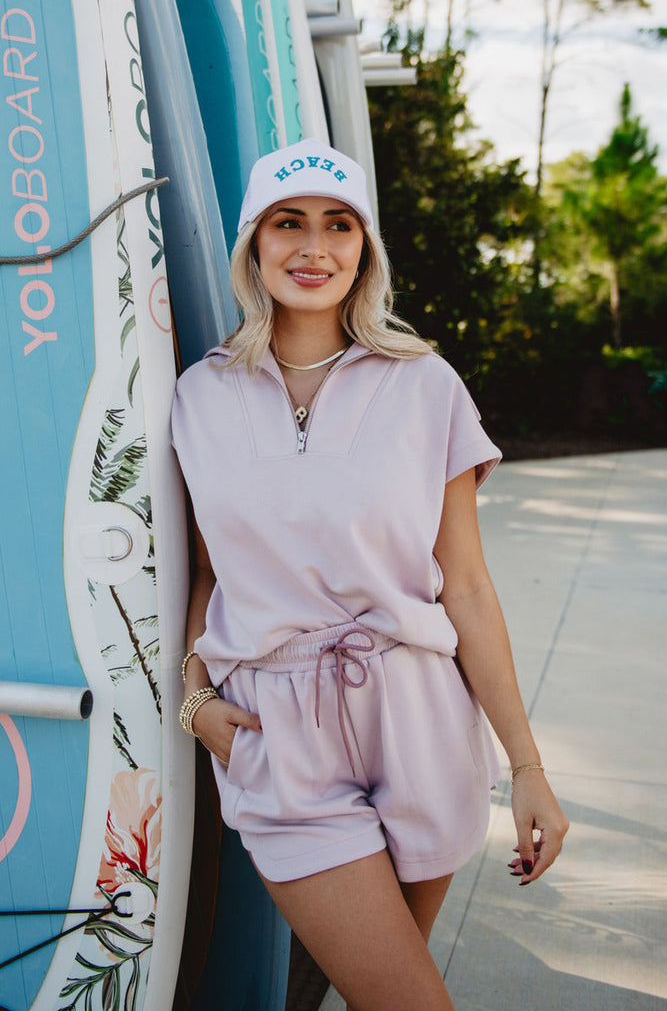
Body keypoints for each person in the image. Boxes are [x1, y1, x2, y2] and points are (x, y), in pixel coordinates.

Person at [171, 138, 569, 1011]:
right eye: (288, 223)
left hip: (419, 718)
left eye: (338, 225)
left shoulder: (425, 384)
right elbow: (205, 572)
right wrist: (194, 699)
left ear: (365, 249)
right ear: (253, 244)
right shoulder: (199, 395)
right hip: (279, 734)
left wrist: (526, 765)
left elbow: (466, 586)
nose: (313, 247)